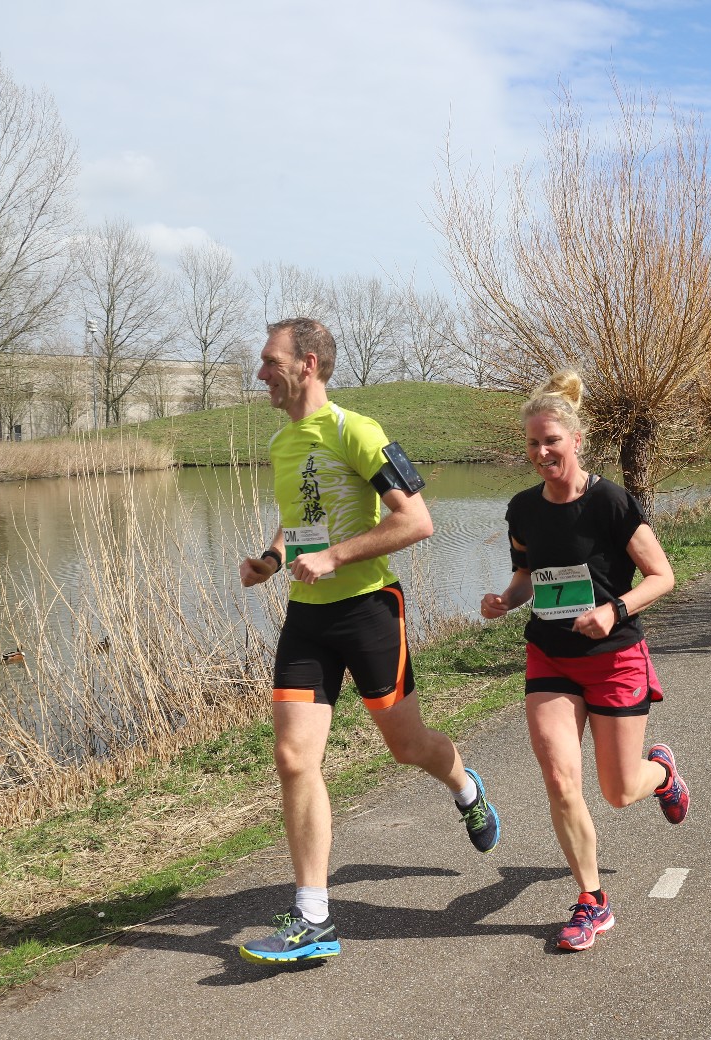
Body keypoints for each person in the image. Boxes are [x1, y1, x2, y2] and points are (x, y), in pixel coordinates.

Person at [236, 318, 500, 965]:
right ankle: (314, 917)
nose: (261, 373)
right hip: (308, 620)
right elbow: (301, 519)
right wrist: (273, 559)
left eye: (271, 361)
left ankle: (465, 788)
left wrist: (335, 556)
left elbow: (417, 521)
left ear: (309, 364)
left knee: (407, 746)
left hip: (369, 612)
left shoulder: (358, 432)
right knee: (293, 758)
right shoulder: (283, 442)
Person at [480, 370, 689, 953]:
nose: (541, 452)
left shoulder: (610, 501)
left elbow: (662, 576)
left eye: (551, 440)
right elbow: (527, 576)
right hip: (550, 656)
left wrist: (613, 609)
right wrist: (505, 600)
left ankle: (663, 773)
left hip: (614, 657)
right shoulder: (523, 508)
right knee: (559, 778)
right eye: (532, 443)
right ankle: (592, 900)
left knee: (619, 791)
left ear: (575, 440)